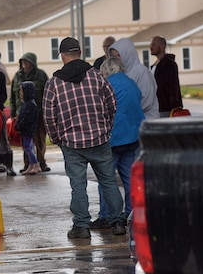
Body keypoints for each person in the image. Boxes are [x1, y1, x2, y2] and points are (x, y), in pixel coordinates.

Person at [42, 37, 126, 238]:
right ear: (80, 52)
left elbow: (48, 115)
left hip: (72, 144)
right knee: (108, 182)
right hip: (99, 139)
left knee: (78, 185)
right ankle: (117, 223)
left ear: (62, 55)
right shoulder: (97, 76)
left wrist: (57, 138)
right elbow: (112, 104)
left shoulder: (54, 83)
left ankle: (82, 226)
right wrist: (105, 128)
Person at [90, 57, 144, 229]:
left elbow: (99, 110)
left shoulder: (107, 85)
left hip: (112, 139)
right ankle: (130, 213)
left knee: (106, 178)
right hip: (133, 137)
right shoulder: (131, 83)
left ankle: (106, 215)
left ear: (106, 70)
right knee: (129, 179)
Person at [10, 52, 50, 173]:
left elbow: (48, 94)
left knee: (40, 139)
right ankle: (28, 163)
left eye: (27, 62)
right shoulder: (17, 76)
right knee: (26, 141)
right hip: (21, 112)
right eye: (23, 62)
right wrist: (13, 113)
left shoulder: (41, 75)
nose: (24, 64)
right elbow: (12, 96)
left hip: (38, 113)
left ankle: (41, 162)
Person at [109, 37, 159, 119]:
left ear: (128, 53)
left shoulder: (142, 72)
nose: (116, 59)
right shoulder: (121, 73)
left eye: (118, 55)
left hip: (147, 121)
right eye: (114, 56)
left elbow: (147, 101)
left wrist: (125, 108)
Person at [150, 35, 183, 117]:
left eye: (153, 44)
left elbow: (173, 86)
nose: (150, 47)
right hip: (155, 108)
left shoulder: (169, 64)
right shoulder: (156, 65)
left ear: (162, 46)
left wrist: (175, 106)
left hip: (166, 109)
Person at [15, 81, 40, 175]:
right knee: (28, 147)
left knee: (28, 147)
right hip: (26, 129)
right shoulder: (28, 104)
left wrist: (19, 125)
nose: (20, 94)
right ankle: (31, 164)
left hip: (27, 130)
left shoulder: (30, 105)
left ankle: (35, 164)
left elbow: (26, 118)